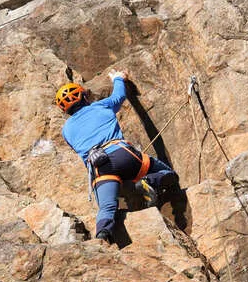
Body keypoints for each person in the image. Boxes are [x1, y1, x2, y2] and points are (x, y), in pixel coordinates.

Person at [56, 70, 180, 243]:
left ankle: (102, 238)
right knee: (169, 174)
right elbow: (119, 96)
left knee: (107, 207)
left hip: (100, 167)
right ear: (84, 97)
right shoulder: (100, 106)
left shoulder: (66, 130)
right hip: (122, 154)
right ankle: (149, 182)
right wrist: (118, 78)